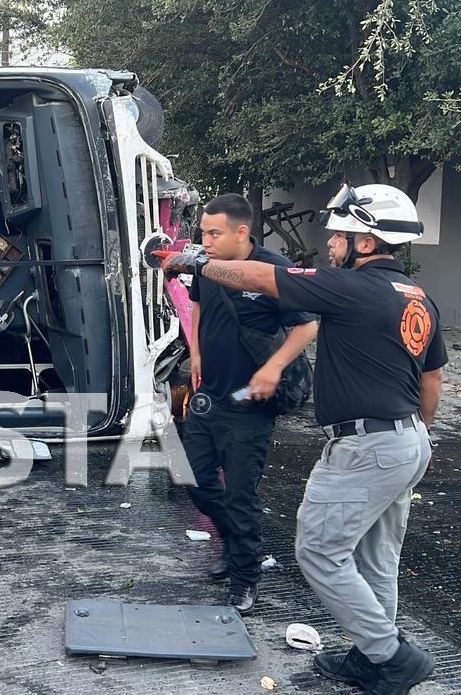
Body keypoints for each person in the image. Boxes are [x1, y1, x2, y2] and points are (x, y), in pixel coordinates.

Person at [156, 183, 446, 695]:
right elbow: (432, 380)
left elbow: (263, 277)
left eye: (340, 233)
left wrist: (192, 262)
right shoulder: (416, 297)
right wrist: (411, 435)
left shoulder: (350, 287)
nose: (330, 241)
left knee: (319, 552)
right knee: (376, 558)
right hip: (406, 440)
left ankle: (392, 656)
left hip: (367, 447)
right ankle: (372, 658)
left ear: (366, 242)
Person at [181, 193, 318, 616]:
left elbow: (307, 326)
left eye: (214, 233)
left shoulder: (274, 269)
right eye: (203, 232)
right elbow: (200, 306)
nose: (205, 240)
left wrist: (274, 368)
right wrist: (197, 351)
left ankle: (245, 577)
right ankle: (236, 543)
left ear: (242, 232)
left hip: (250, 404)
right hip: (210, 396)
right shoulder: (207, 265)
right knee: (193, 480)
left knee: (241, 496)